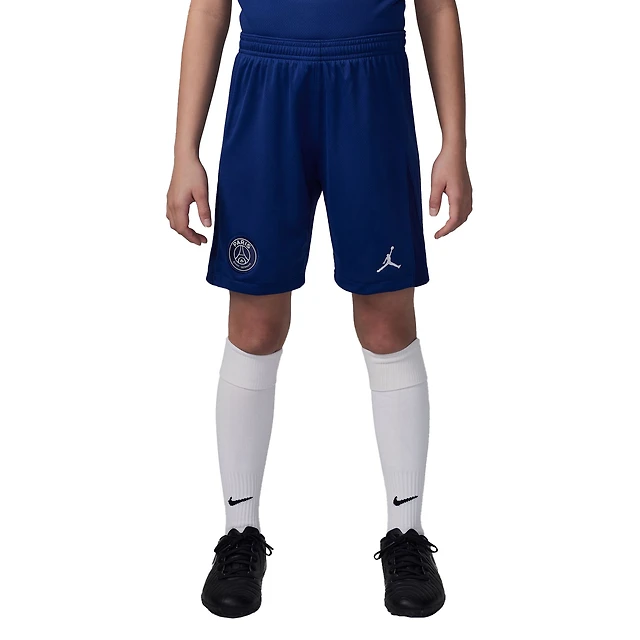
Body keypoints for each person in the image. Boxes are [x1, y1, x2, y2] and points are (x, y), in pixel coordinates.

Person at [166, 0, 472, 619]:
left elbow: (437, 8)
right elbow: (208, 11)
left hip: (370, 86)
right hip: (267, 85)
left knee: (386, 321)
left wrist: (454, 143)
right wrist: (183, 152)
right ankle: (239, 530)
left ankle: (407, 533)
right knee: (255, 325)